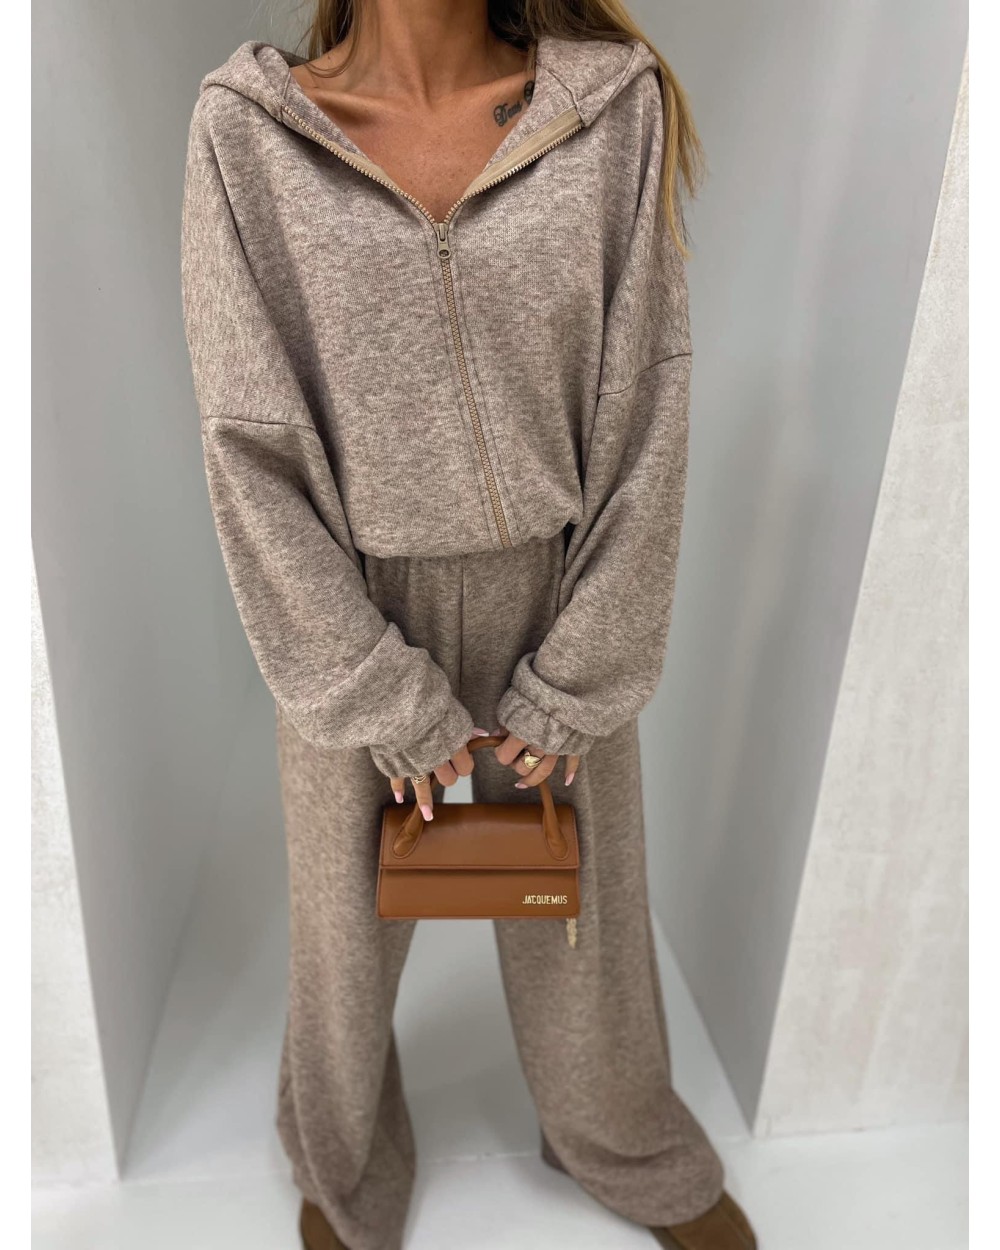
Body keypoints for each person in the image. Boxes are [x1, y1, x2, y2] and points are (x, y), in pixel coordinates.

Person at [180, 2, 757, 1248]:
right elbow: (246, 441)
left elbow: (645, 404)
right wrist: (373, 688)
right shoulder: (248, 131)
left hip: (556, 588)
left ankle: (622, 1139)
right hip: (351, 602)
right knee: (342, 938)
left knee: (585, 920)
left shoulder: (609, 109)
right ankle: (341, 1162)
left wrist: (580, 670)